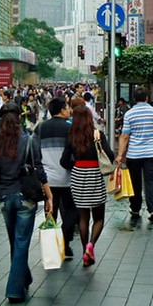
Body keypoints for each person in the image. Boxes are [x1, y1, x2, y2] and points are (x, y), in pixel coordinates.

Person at [0, 104, 52, 303]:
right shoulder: (28, 140)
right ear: (19, 119)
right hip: (26, 197)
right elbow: (39, 170)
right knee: (21, 242)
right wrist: (49, 196)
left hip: (6, 197)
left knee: (15, 242)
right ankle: (15, 290)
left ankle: (25, 277)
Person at [61, 101, 113, 267]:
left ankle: (85, 251)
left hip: (78, 175)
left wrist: (75, 166)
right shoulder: (97, 134)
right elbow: (110, 155)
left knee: (83, 216)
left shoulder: (71, 136)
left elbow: (63, 160)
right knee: (99, 217)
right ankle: (91, 245)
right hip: (95, 175)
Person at [116, 87, 153, 225]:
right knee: (152, 180)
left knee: (135, 182)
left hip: (134, 154)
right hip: (152, 153)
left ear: (134, 98)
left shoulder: (129, 114)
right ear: (147, 98)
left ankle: (135, 208)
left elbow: (125, 136)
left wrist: (120, 155)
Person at [37, 96, 76, 259]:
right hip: (68, 177)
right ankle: (66, 243)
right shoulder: (70, 127)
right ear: (61, 110)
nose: (69, 110)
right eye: (67, 107)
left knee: (50, 212)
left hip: (48, 180)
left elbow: (35, 153)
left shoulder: (40, 127)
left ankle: (52, 248)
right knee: (72, 211)